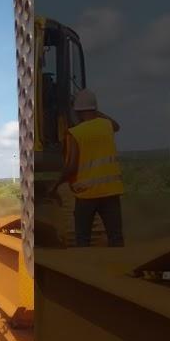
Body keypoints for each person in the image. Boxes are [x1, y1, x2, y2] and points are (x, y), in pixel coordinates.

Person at [49, 89, 125, 247]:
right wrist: (95, 110)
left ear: (76, 111)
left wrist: (55, 187)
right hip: (111, 192)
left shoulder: (75, 133)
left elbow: (70, 167)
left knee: (83, 240)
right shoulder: (106, 126)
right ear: (95, 109)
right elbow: (117, 125)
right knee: (116, 238)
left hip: (86, 195)